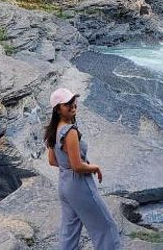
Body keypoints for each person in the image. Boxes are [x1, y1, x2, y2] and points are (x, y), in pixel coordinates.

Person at [45, 88, 122, 250]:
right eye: (67, 104)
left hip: (64, 184)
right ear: (57, 109)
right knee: (106, 228)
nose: (73, 106)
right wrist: (94, 167)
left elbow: (52, 161)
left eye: (74, 102)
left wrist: (68, 165)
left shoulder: (54, 129)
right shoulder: (70, 131)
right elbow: (78, 166)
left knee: (69, 232)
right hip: (79, 185)